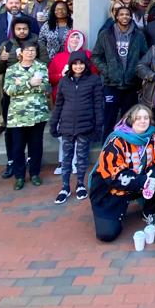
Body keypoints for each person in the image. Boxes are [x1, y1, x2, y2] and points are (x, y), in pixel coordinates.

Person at [89, 105, 155, 242]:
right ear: (129, 121)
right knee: (107, 234)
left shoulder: (154, 136)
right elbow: (114, 174)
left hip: (139, 181)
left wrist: (153, 175)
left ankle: (149, 211)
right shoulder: (116, 141)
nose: (143, 121)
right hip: (110, 190)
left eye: (146, 118)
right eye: (138, 118)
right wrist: (144, 180)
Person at [49, 50, 103, 203]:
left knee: (82, 157)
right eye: (75, 63)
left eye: (81, 63)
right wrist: (54, 123)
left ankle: (80, 184)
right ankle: (65, 187)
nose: (78, 66)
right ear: (70, 65)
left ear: (85, 64)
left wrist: (98, 126)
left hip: (85, 126)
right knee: (66, 158)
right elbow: (58, 104)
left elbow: (98, 104)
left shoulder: (94, 80)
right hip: (66, 125)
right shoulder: (64, 81)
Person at [0, 0, 39, 135]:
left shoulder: (30, 21)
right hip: (1, 61)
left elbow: (37, 41)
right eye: (11, 3)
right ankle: (0, 122)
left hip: (25, 63)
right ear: (6, 4)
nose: (14, 5)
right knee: (0, 93)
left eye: (17, 3)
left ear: (21, 5)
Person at [91, 6, 148, 138]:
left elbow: (145, 56)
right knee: (110, 119)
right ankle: (108, 147)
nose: (124, 17)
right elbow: (95, 56)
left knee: (130, 120)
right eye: (121, 14)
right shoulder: (106, 34)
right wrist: (107, 71)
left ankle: (129, 146)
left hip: (131, 84)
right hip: (112, 85)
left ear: (130, 17)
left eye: (127, 14)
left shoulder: (138, 35)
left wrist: (138, 75)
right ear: (116, 17)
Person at [49, 30, 98, 175]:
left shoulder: (88, 55)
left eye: (78, 37)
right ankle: (63, 162)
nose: (75, 39)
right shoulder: (58, 57)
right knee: (64, 135)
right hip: (63, 100)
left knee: (80, 135)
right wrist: (61, 76)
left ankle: (76, 162)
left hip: (83, 101)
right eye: (72, 37)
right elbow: (50, 76)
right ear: (67, 40)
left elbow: (94, 74)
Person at [3, 40, 50, 189]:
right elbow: (9, 90)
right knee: (18, 147)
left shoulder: (41, 67)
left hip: (37, 113)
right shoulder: (12, 70)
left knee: (36, 145)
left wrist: (21, 85)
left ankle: (35, 173)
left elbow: (44, 87)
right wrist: (30, 83)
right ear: (21, 53)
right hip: (18, 115)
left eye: (33, 50)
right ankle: (19, 176)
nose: (30, 53)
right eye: (27, 50)